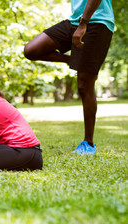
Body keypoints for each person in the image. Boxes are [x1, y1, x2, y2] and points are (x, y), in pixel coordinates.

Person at [23, 0, 114, 155]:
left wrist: (83, 23)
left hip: (97, 22)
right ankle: (73, 60)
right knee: (31, 50)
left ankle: (88, 143)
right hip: (75, 21)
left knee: (84, 86)